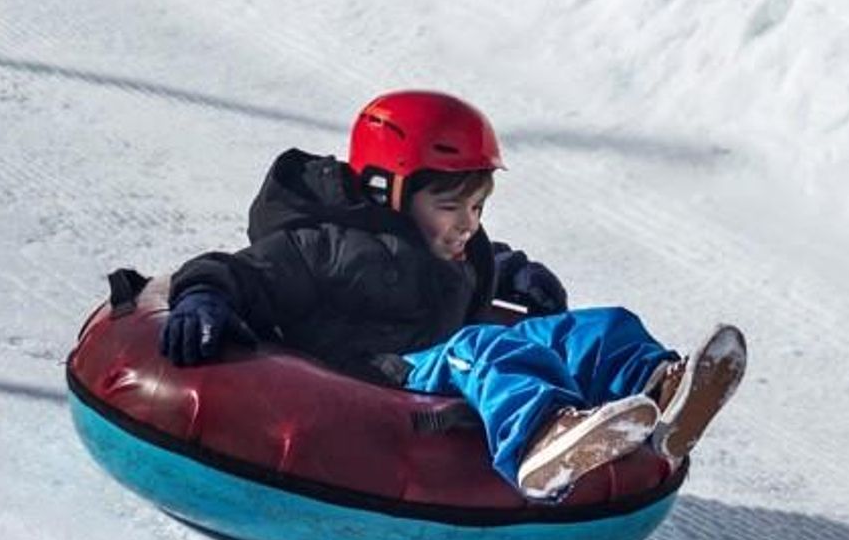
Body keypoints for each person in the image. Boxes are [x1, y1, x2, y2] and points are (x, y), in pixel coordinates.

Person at [158, 90, 747, 500]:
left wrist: (515, 272)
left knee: (598, 327)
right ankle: (541, 442)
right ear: (388, 191)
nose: (469, 223)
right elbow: (240, 271)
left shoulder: (453, 243)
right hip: (382, 376)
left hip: (446, 351)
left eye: (478, 206)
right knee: (484, 350)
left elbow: (478, 252)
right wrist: (203, 297)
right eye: (451, 206)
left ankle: (662, 392)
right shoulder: (325, 244)